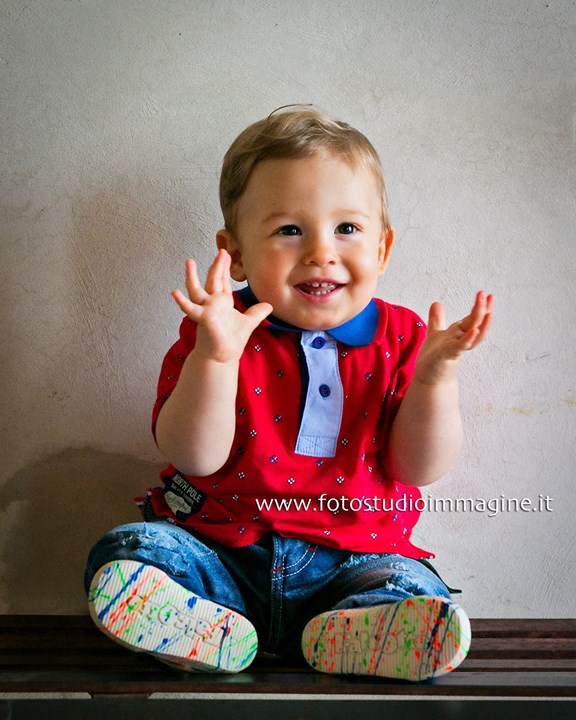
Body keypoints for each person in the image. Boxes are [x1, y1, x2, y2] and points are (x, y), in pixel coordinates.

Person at [85, 106, 493, 681]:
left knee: (411, 587)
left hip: (354, 562)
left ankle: (355, 632)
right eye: (289, 230)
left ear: (382, 248)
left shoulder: (404, 339)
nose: (321, 252)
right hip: (224, 555)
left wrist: (434, 380)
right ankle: (204, 633)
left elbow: (416, 467)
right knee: (134, 548)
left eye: (346, 229)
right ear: (238, 254)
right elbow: (195, 456)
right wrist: (216, 356)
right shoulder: (220, 328)